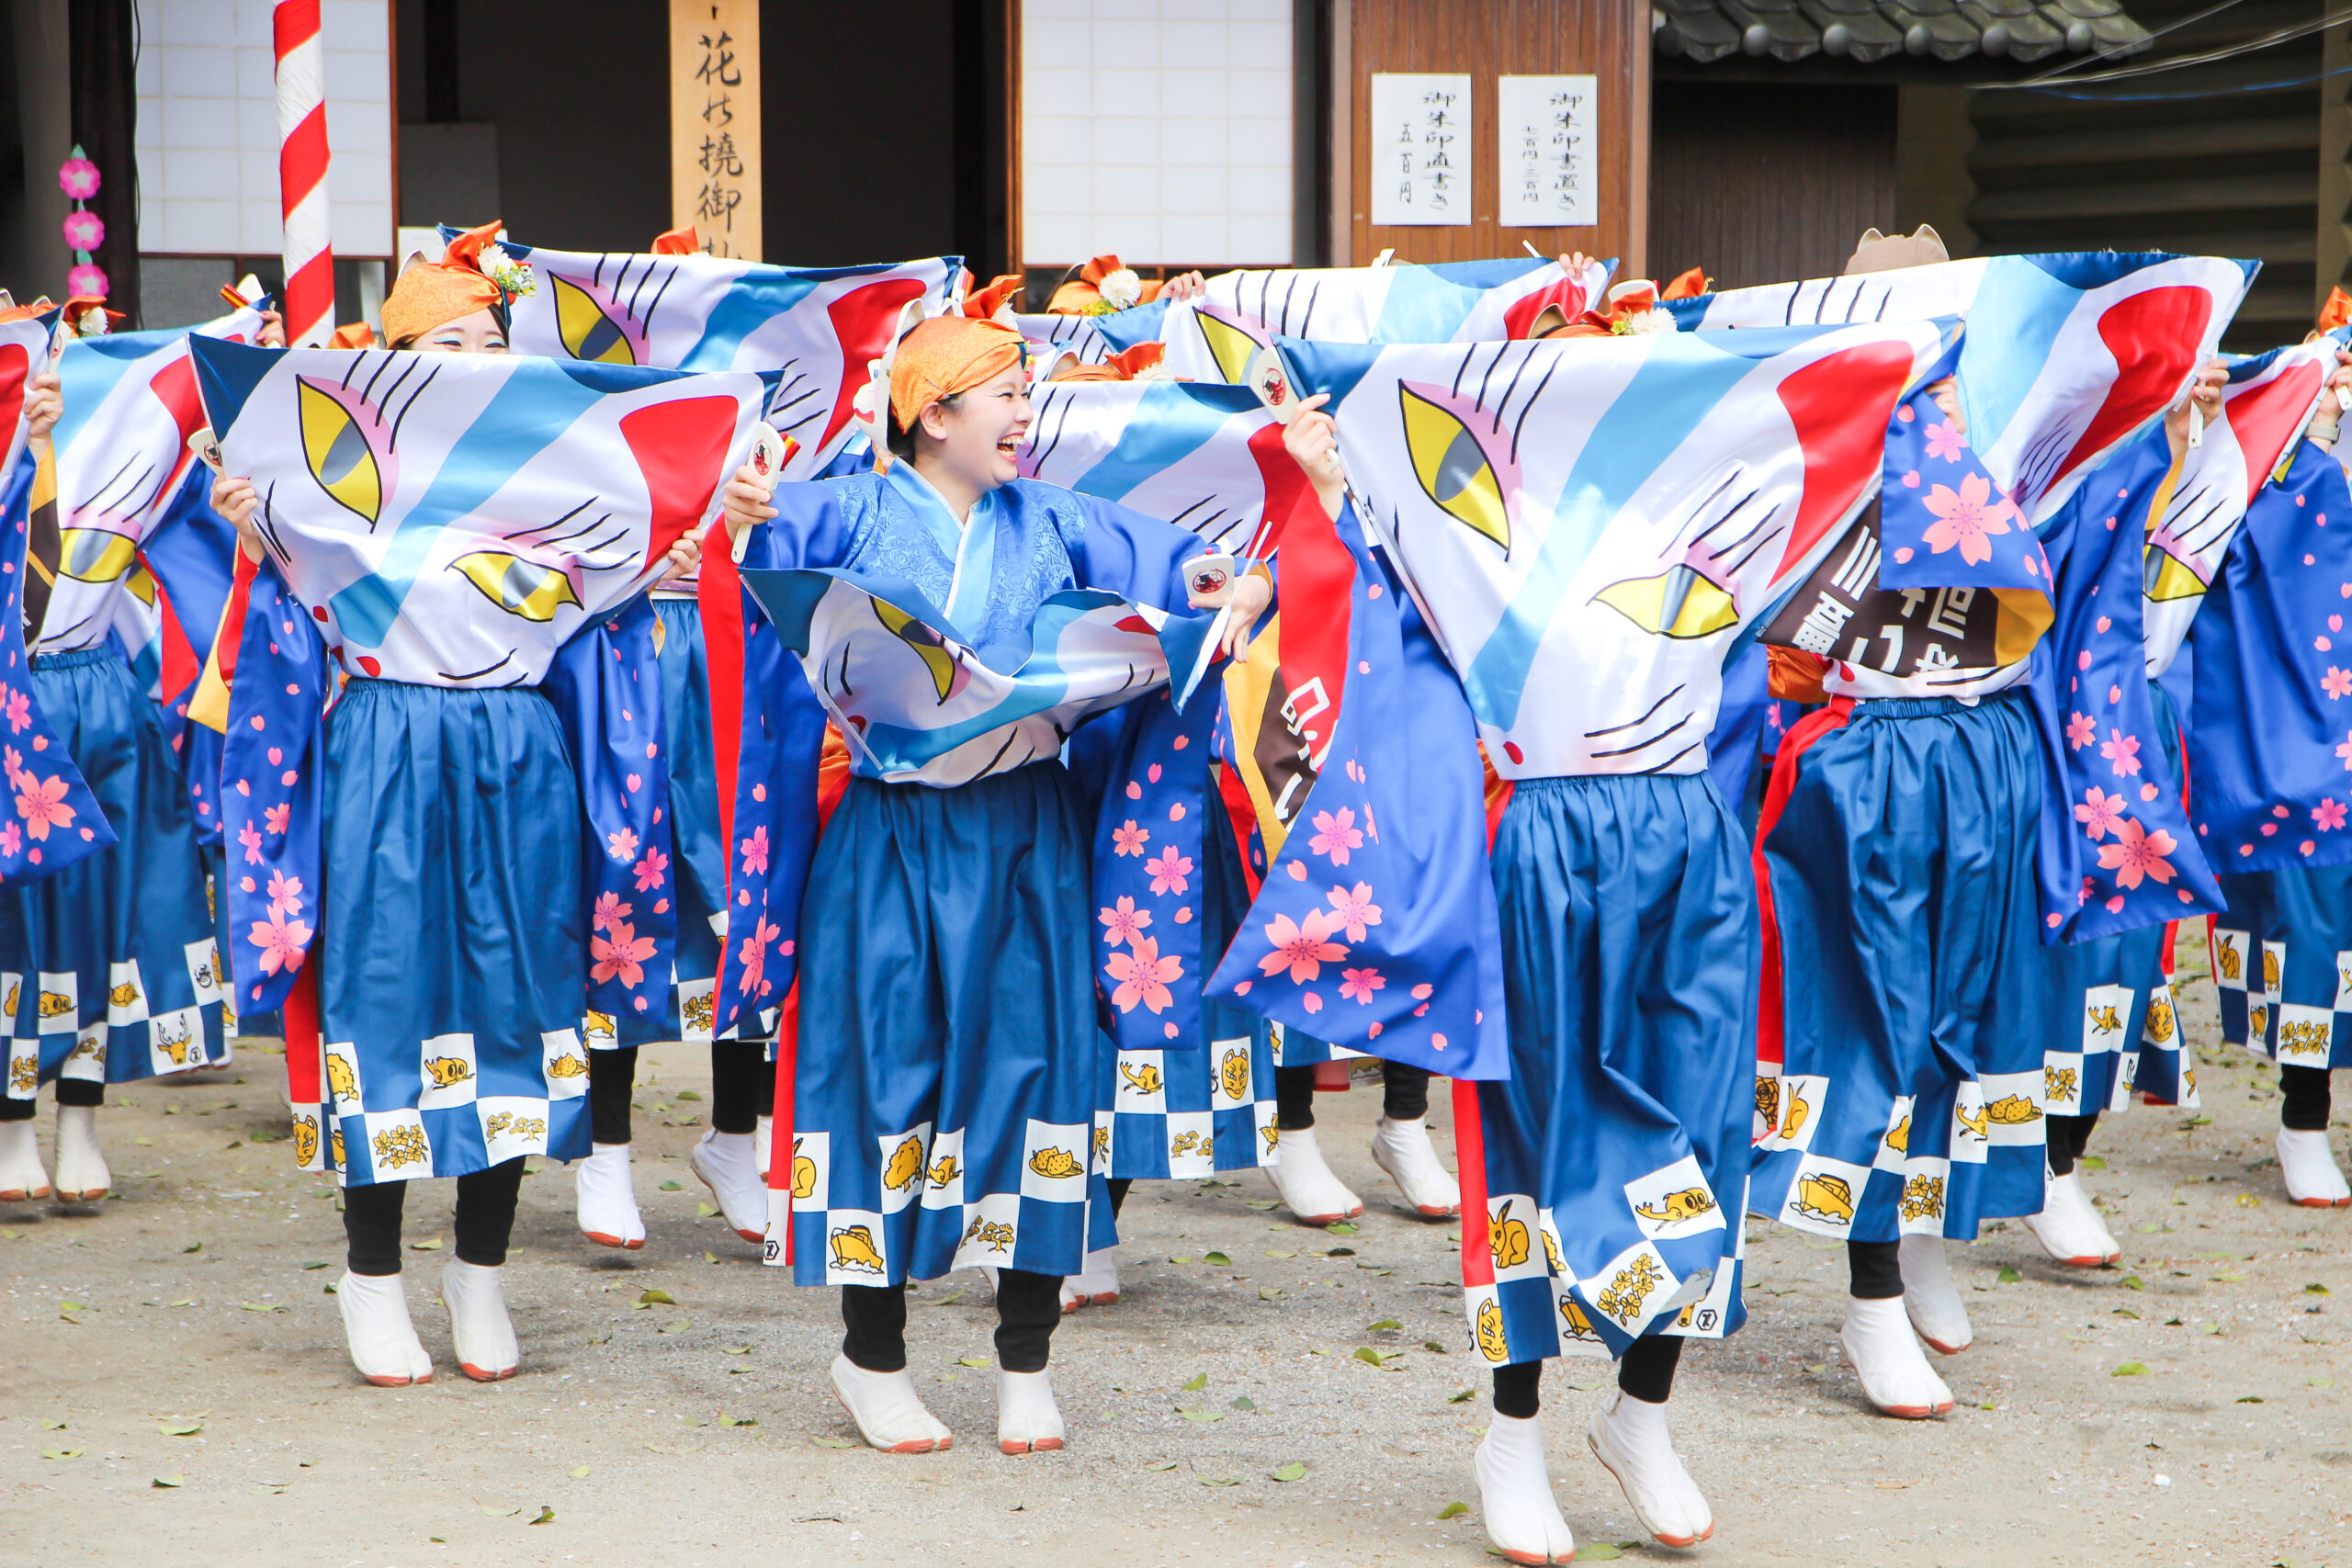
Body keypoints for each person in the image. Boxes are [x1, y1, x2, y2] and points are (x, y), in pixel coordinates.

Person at [718, 311, 1263, 1454]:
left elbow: (1182, 567)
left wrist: (1228, 595)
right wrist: (745, 504)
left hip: (1027, 828)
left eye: (1027, 393)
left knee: (1040, 1073)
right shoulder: (855, 506)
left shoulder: (1055, 518)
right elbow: (762, 528)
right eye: (1004, 394)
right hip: (893, 834)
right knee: (885, 1078)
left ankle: (1025, 1360)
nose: (1026, 414)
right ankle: (873, 1357)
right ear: (932, 414)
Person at [207, 222, 703, 1386]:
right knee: (384, 1000)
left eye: (493, 341)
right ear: (396, 365)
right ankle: (370, 1274)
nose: (479, 360)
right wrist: (249, 520)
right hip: (389, 745)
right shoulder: (327, 477)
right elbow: (277, 635)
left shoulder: (555, 479)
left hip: (518, 749)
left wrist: (676, 554)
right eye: (451, 343)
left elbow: (618, 599)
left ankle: (479, 1273)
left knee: (521, 999)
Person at [0, 296, 257, 1205]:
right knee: (15, 919)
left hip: (99, 694)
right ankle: (9, 1124)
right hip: (11, 699)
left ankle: (81, 1115)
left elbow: (204, 558)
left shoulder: (127, 449)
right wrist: (18, 461)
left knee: (104, 914)